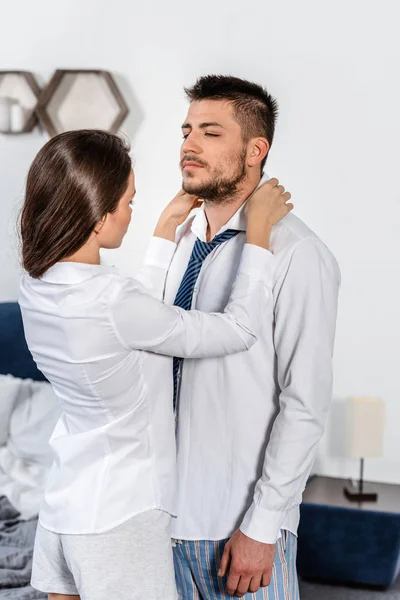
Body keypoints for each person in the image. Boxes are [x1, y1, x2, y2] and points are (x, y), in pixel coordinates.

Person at [18, 129, 292, 600]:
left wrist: (165, 230)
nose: (132, 211)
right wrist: (261, 233)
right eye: (128, 201)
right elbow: (237, 329)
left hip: (64, 509)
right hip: (121, 517)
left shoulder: (37, 286)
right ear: (99, 216)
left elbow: (133, 319)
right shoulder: (113, 302)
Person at [165, 75, 341, 599]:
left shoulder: (297, 254)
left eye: (210, 133)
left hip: (235, 528)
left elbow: (305, 402)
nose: (189, 145)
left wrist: (263, 525)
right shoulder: (178, 241)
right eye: (186, 130)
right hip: (160, 523)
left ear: (254, 150)